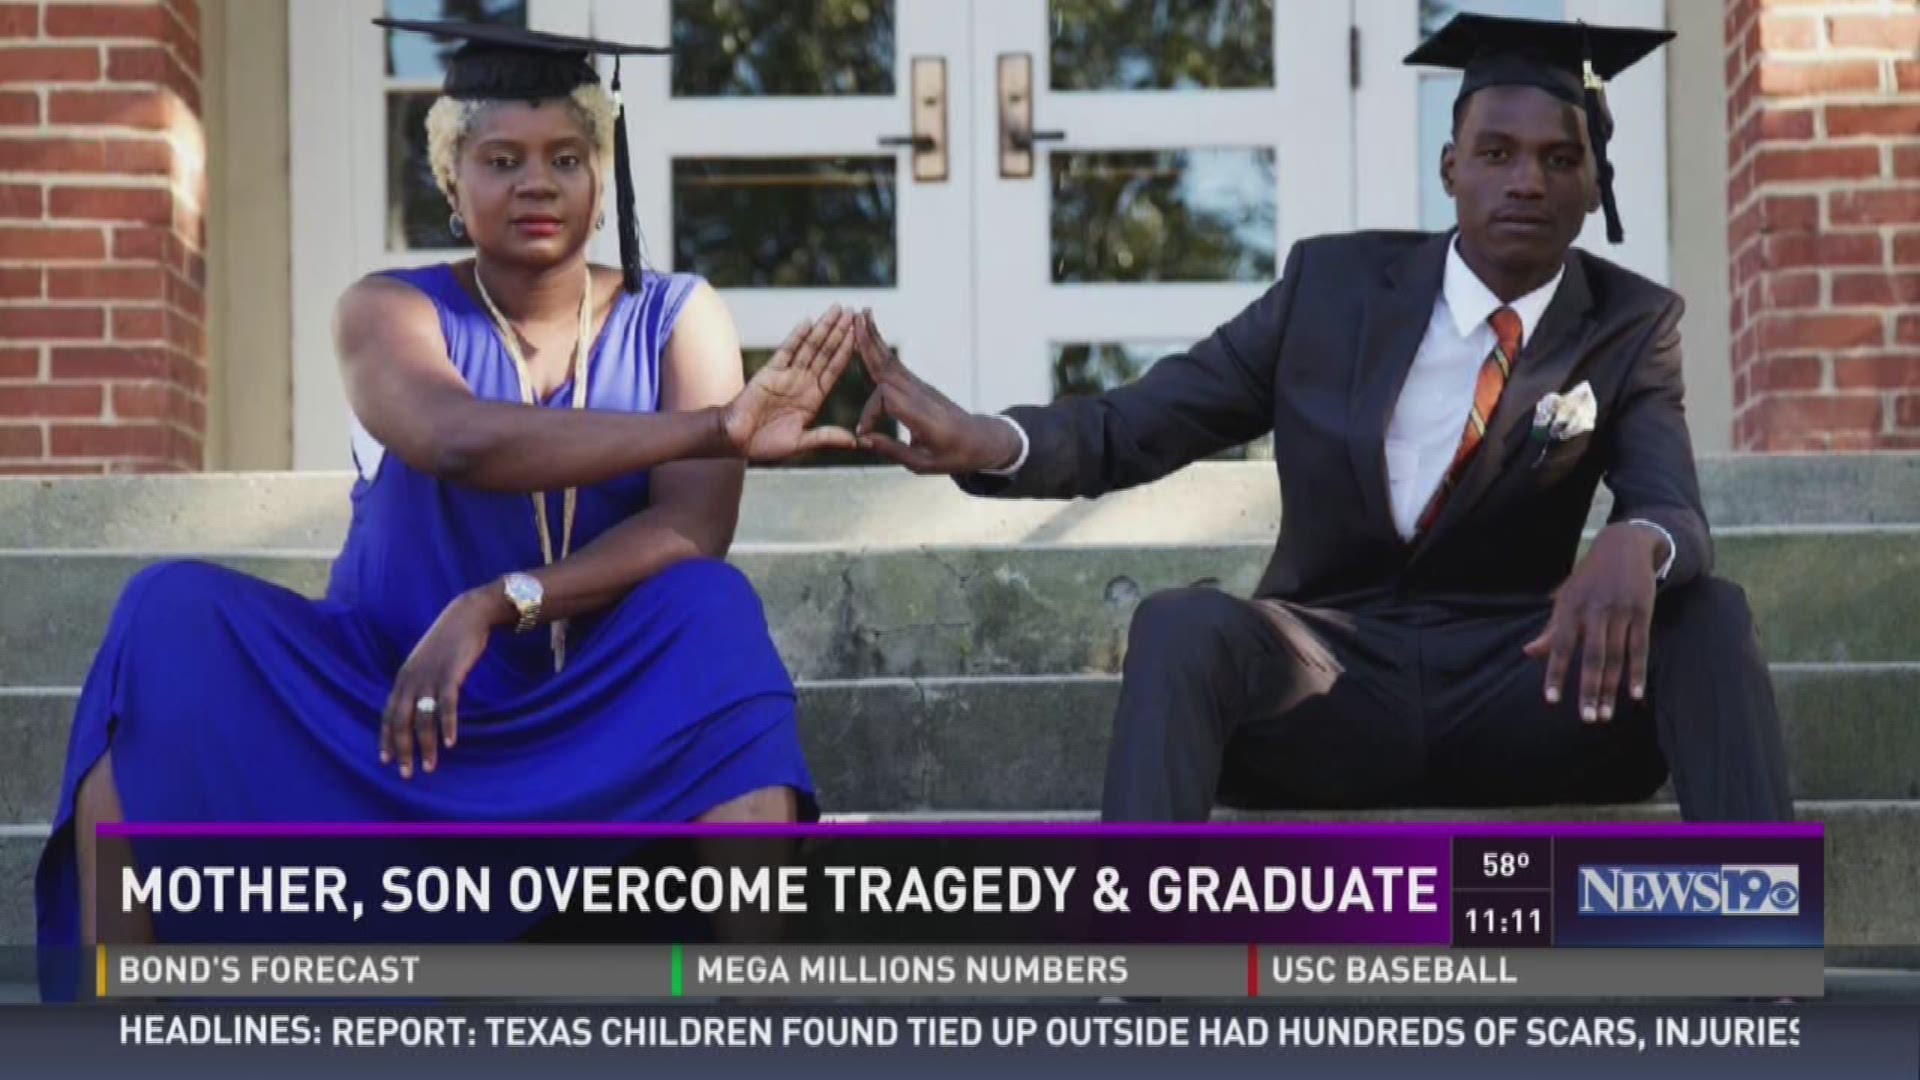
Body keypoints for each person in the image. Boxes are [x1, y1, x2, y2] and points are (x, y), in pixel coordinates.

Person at [35, 20, 862, 996]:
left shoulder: (678, 316)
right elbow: (457, 438)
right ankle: (116, 1021)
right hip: (390, 715)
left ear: (602, 179)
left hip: (596, 717)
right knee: (163, 617)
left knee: (714, 610)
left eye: (566, 157)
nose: (538, 184)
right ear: (449, 178)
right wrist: (717, 427)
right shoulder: (390, 311)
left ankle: (750, 1014)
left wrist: (495, 601)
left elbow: (693, 528)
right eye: (500, 159)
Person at [848, 14, 1793, 824]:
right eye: (1497, 155)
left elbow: (1670, 501)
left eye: (1560, 159)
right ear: (1450, 167)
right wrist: (993, 441)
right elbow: (1139, 424)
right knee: (1182, 627)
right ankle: (1139, 966)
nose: (1527, 183)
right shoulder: (1329, 290)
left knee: (1706, 612)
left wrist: (1641, 541)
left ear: (1596, 183)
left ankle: (1759, 953)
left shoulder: (1631, 322)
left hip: (1524, 683)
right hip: (1330, 681)